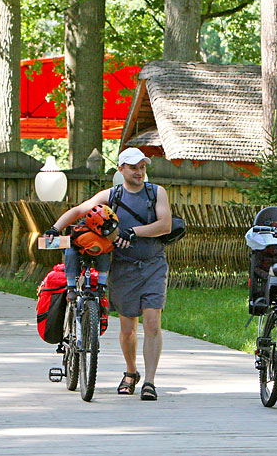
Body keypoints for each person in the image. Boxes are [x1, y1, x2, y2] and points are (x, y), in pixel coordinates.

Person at [45, 147, 172, 401]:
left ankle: (149, 381)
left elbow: (164, 224)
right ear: (121, 169)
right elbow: (80, 211)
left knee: (152, 322)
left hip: (152, 264)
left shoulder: (156, 193)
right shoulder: (111, 195)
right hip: (123, 266)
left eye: (142, 167)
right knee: (127, 328)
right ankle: (131, 372)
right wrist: (55, 228)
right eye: (133, 167)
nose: (139, 172)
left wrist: (133, 232)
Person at [45, 205, 119, 300]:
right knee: (70, 254)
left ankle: (101, 287)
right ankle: (71, 287)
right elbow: (73, 239)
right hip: (78, 247)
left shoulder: (111, 227)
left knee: (104, 256)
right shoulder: (81, 229)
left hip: (99, 248)